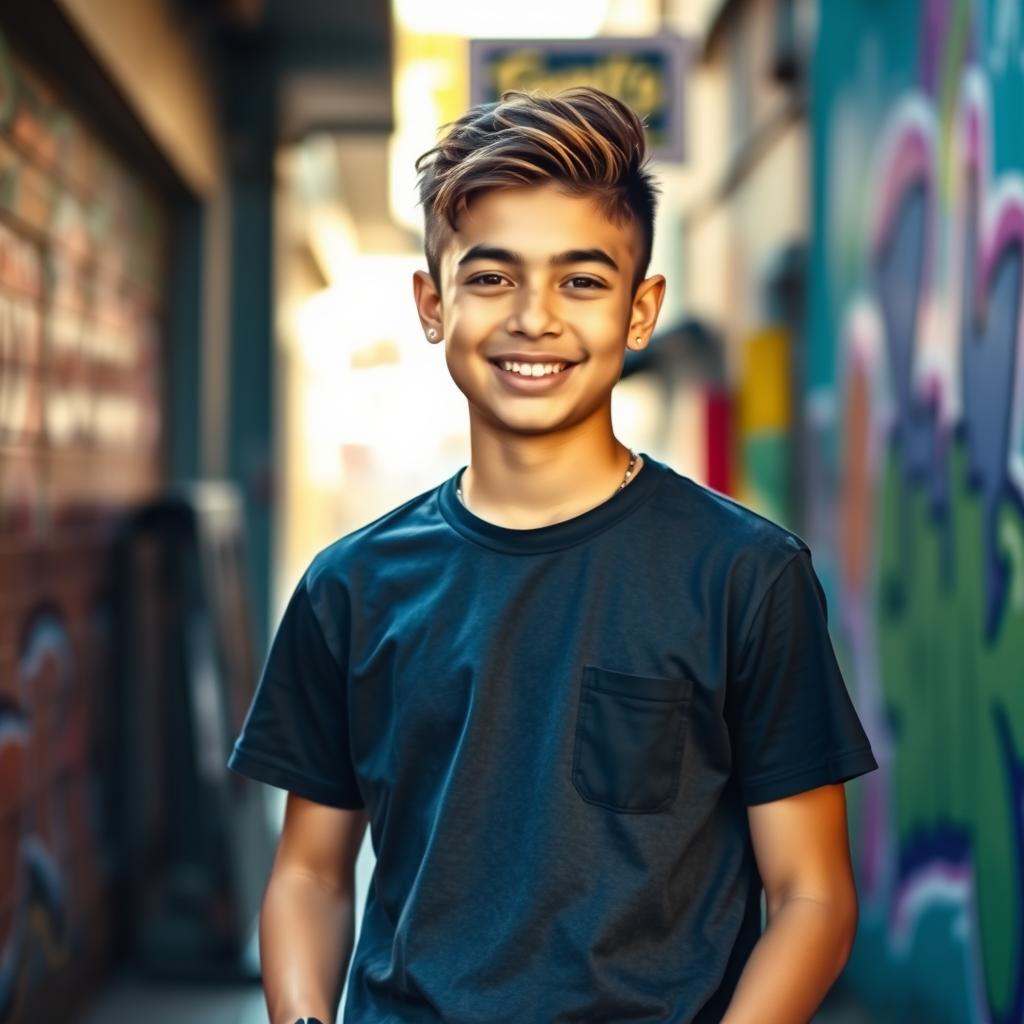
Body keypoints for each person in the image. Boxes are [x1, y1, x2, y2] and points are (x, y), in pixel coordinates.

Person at [228, 86, 878, 1024]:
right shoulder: (351, 587)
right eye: (492, 278)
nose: (535, 318)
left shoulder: (744, 575)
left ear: (641, 309)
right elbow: (311, 877)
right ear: (430, 303)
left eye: (582, 280)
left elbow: (812, 895)